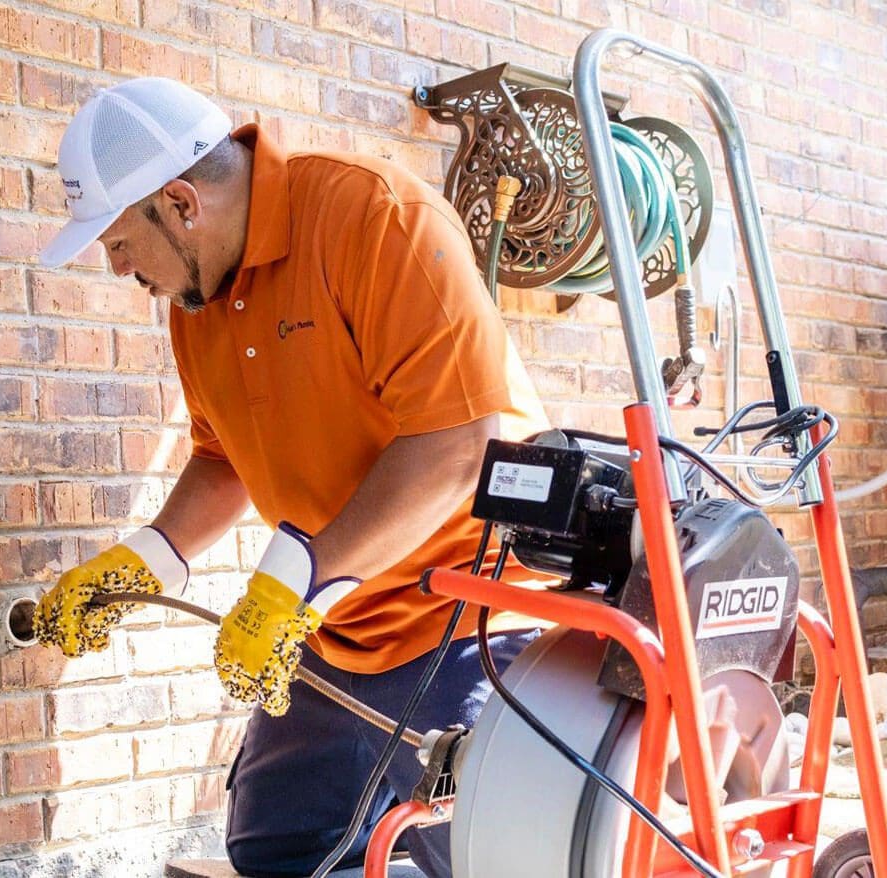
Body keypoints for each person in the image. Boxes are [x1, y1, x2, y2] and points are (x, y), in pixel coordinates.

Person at [30, 77, 551, 878]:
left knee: (486, 856)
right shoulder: (196, 304)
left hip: (467, 618)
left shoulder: (373, 220)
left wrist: (293, 586)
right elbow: (221, 456)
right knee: (275, 853)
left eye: (118, 239)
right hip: (332, 629)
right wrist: (146, 558)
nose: (117, 264)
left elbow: (458, 442)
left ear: (179, 203)